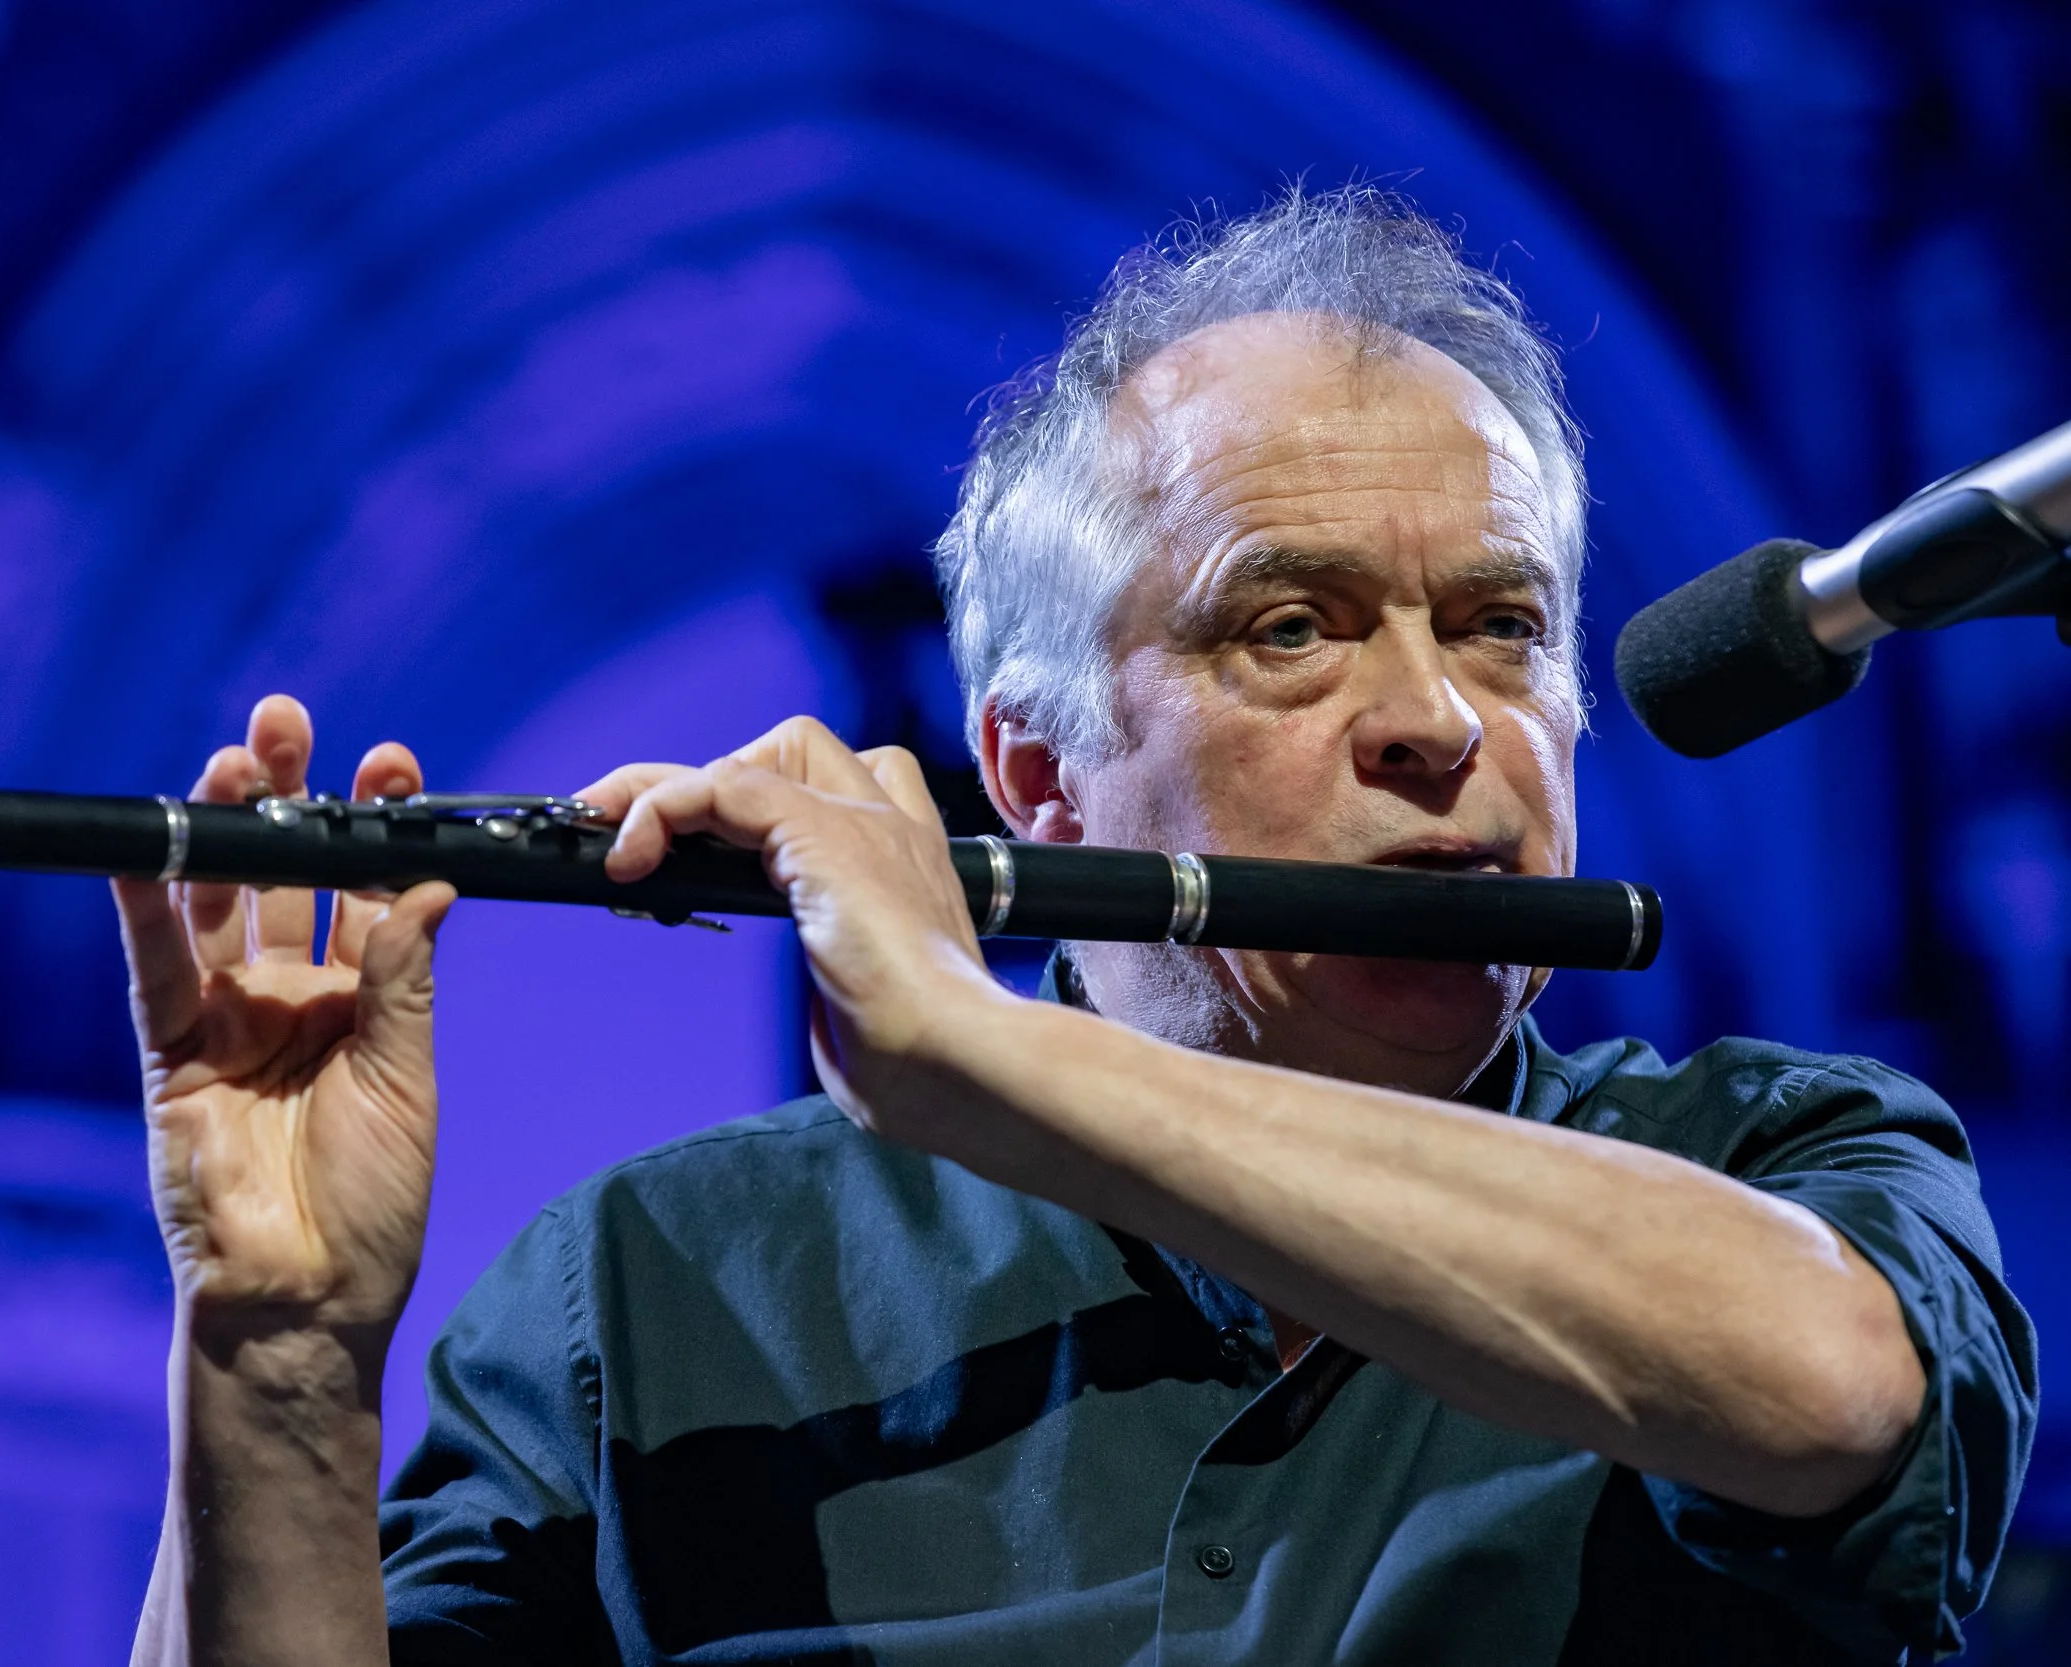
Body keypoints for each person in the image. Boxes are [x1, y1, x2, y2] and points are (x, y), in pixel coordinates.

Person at [118, 187, 2034, 1667]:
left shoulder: (1782, 1159)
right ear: (1035, 777)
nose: (1440, 723)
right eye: (1290, 627)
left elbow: (1833, 1390)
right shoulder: (650, 1285)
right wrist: (273, 1356)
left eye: (1501, 625)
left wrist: (986, 1052)